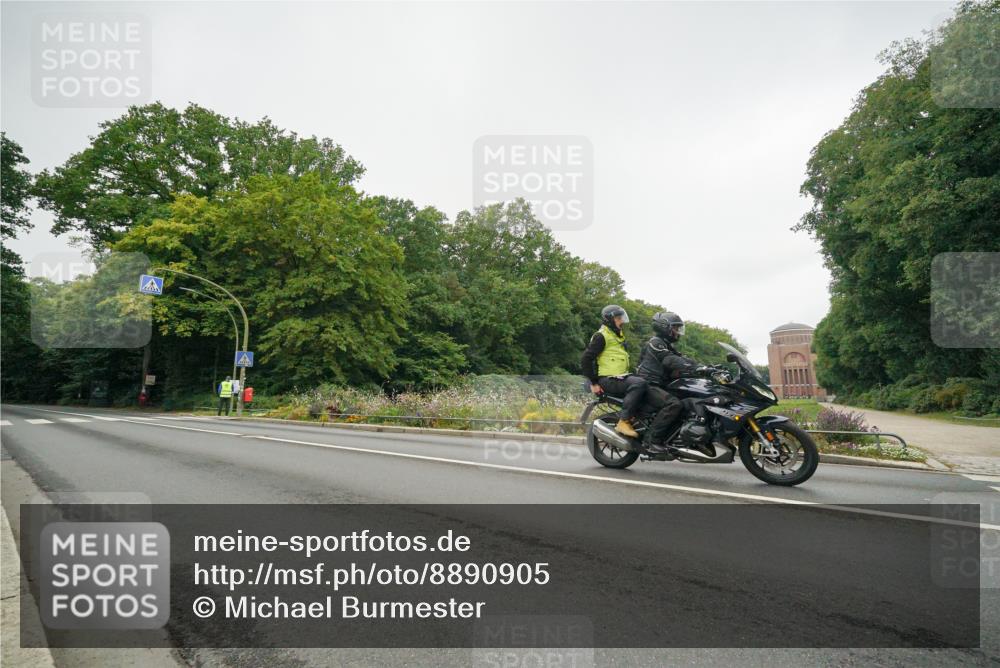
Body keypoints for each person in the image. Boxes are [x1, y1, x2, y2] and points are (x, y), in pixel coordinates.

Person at [636, 311, 714, 452]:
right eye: (675, 328)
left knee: (689, 398)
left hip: (662, 384)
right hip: (648, 384)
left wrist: (708, 367)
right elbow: (670, 360)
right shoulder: (655, 343)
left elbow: (683, 359)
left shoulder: (666, 345)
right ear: (664, 327)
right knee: (673, 404)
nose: (678, 332)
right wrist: (697, 368)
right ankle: (652, 440)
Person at [581, 305, 647, 437]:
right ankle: (623, 421)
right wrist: (594, 383)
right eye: (618, 318)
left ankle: (638, 422)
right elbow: (585, 360)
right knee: (639, 383)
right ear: (609, 320)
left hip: (619, 378)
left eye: (621, 318)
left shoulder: (618, 337)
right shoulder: (601, 336)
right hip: (607, 380)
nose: (621, 321)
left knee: (648, 386)